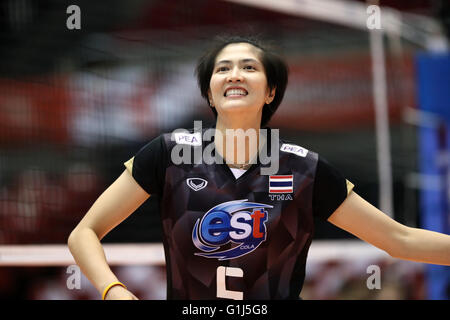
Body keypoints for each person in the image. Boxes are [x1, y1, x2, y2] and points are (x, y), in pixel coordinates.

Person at [68, 35, 450, 300]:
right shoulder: (167, 154)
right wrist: (112, 289)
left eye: (249, 67)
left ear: (270, 92)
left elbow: (400, 240)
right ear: (209, 93)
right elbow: (84, 232)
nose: (234, 74)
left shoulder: (305, 169)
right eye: (223, 69)